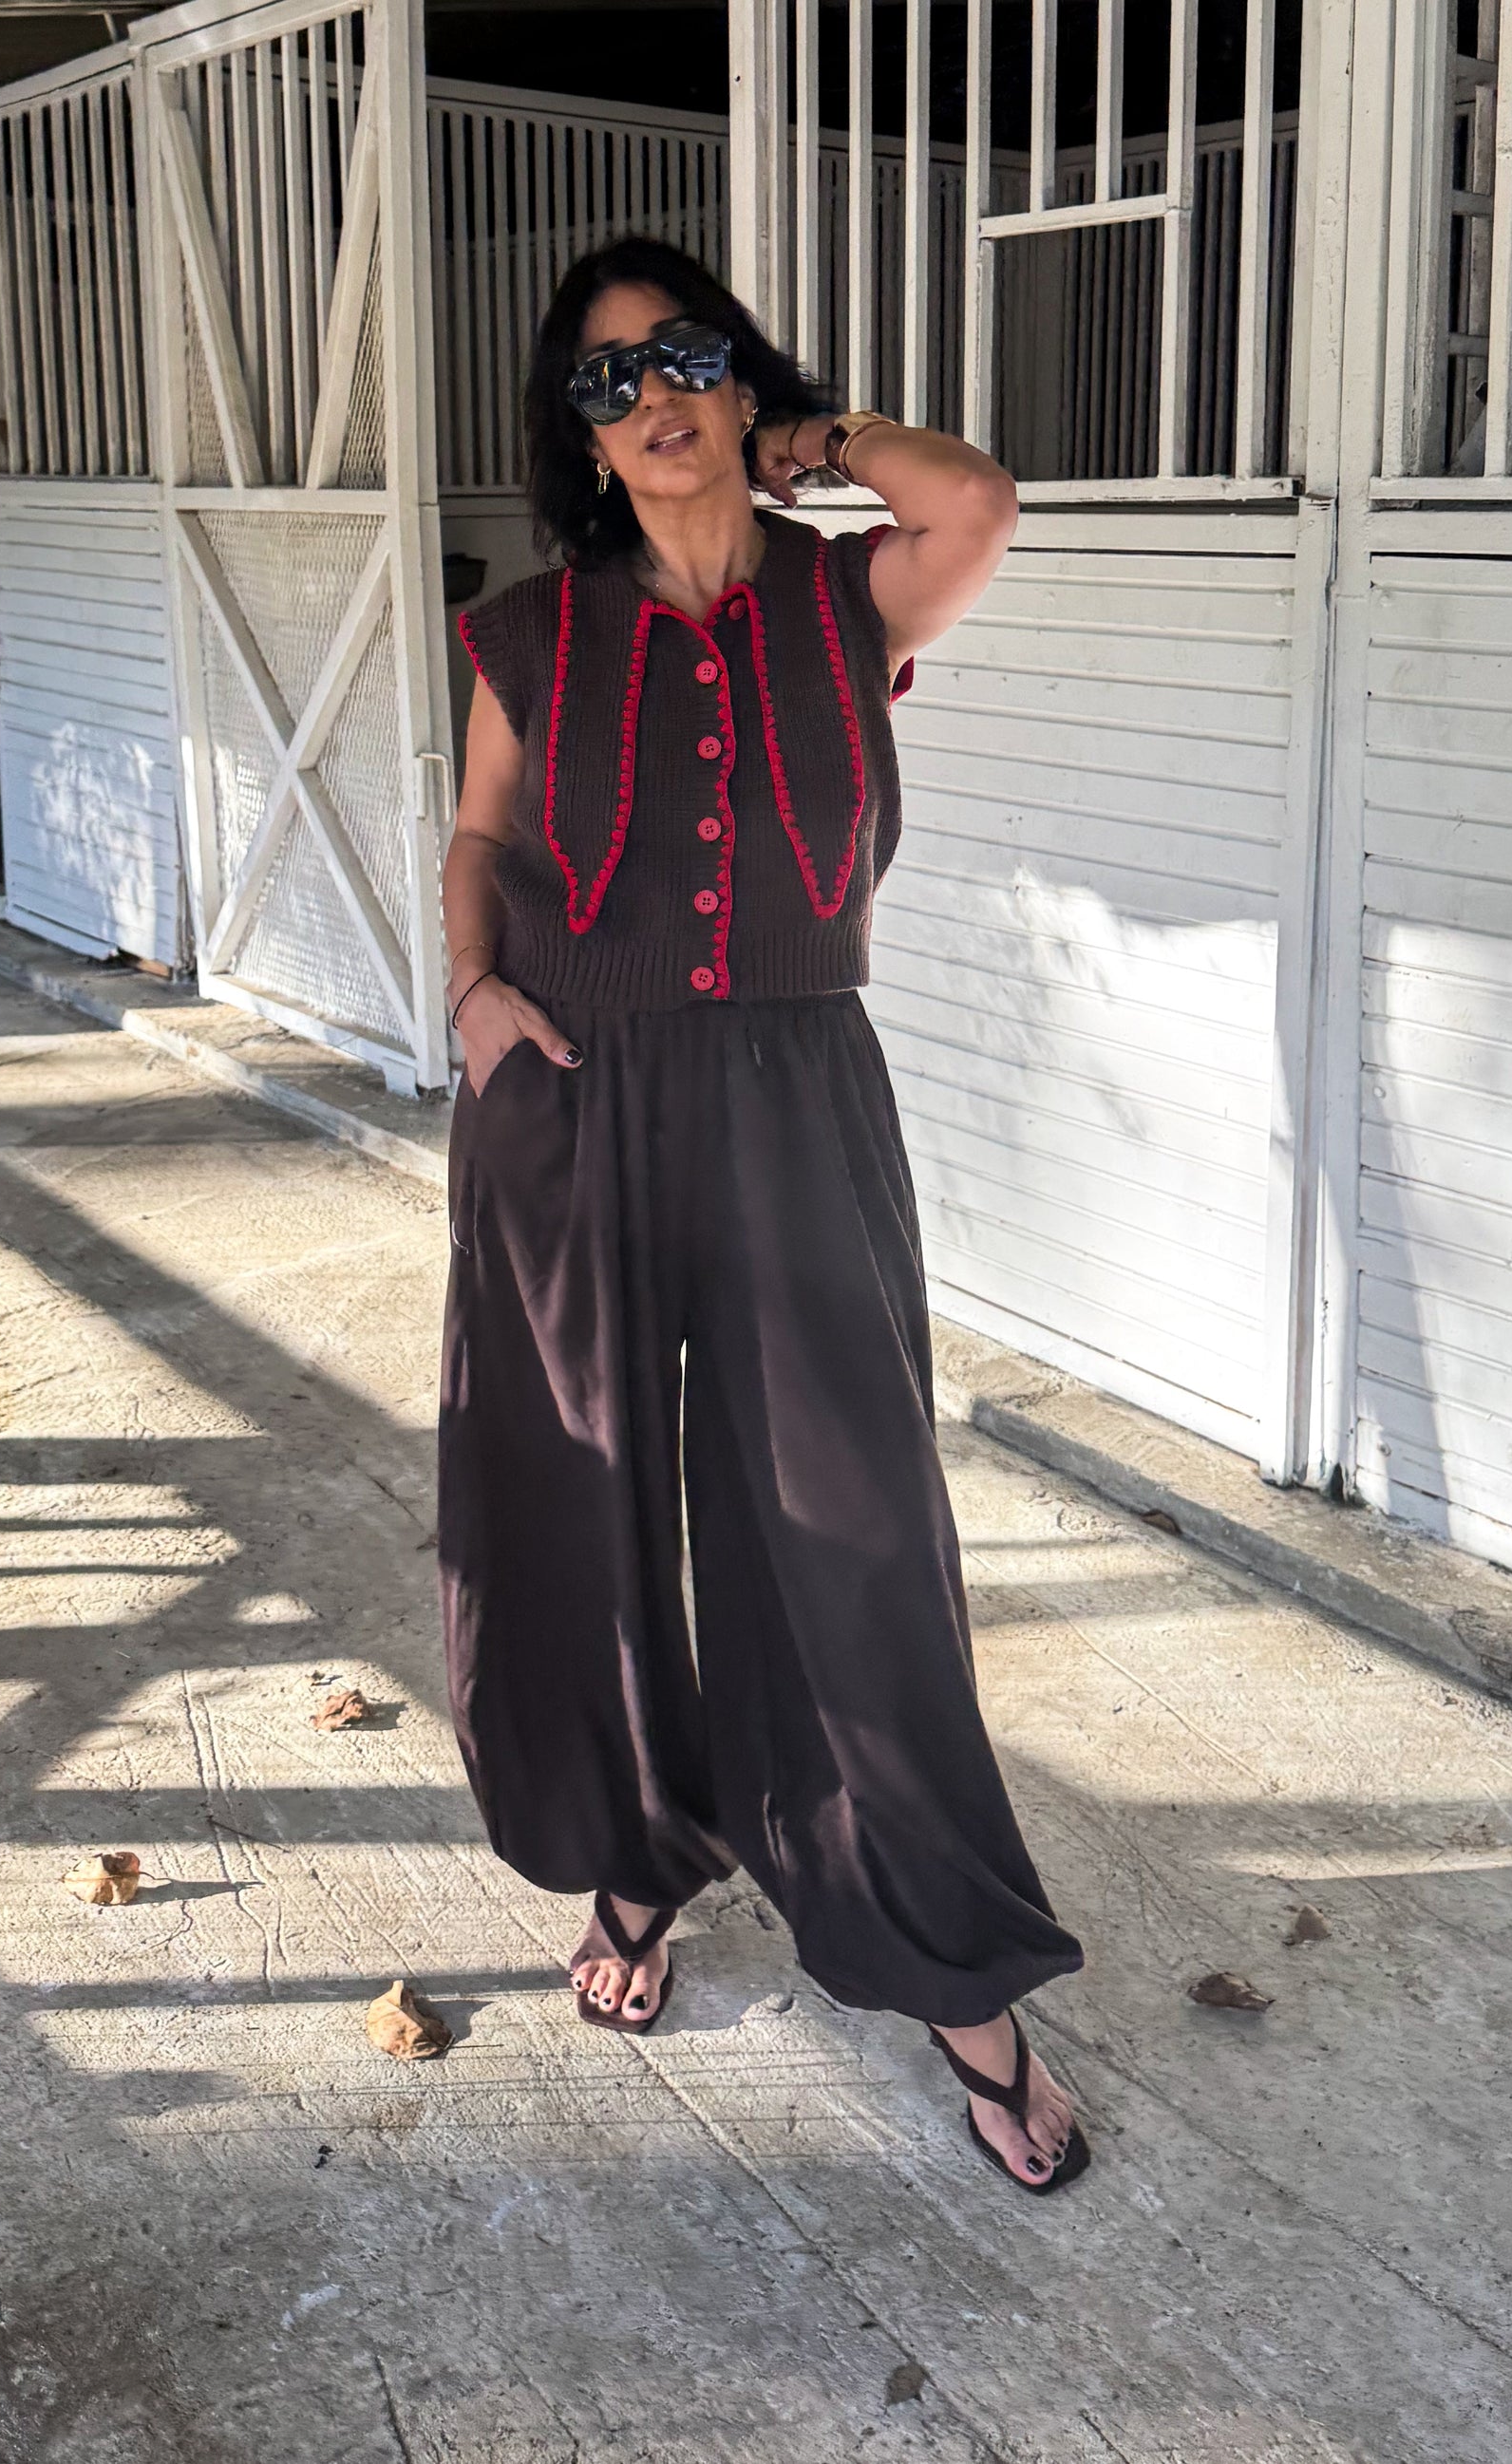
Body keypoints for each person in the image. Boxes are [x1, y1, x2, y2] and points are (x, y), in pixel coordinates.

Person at [437, 236, 1088, 2193]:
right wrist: (470, 995)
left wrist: (810, 439)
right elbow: (480, 829)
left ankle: (948, 1963)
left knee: (845, 1524)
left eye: (682, 359)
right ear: (577, 435)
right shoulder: (528, 634)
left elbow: (972, 497)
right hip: (574, 1092)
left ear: (740, 379)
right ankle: (636, 1864)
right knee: (581, 1502)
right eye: (606, 380)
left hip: (800, 1097)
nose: (649, 398)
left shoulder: (845, 592)